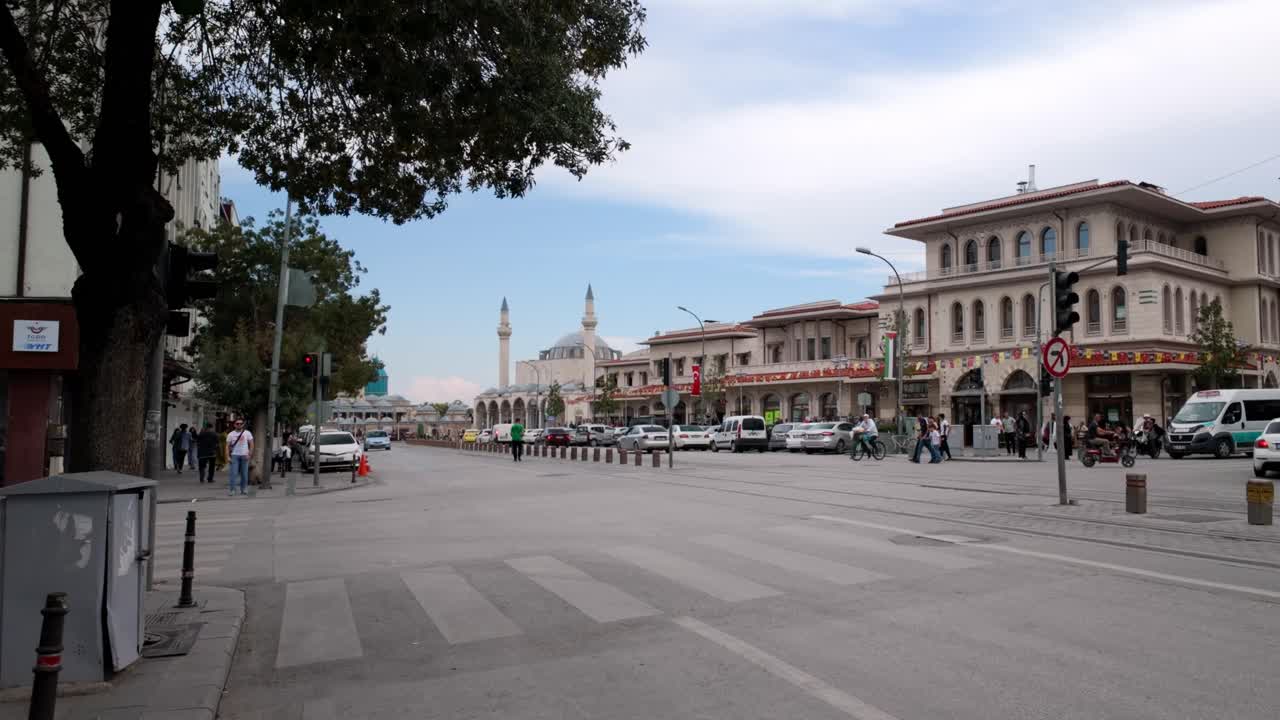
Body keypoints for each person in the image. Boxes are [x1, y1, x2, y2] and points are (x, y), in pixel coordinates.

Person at [226, 419, 254, 496]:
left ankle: (244, 489)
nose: (239, 425)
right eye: (237, 423)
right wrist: (228, 456)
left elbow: (251, 444)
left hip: (244, 455)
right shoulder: (231, 434)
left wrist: (249, 454)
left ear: (243, 425)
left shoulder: (247, 433)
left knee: (244, 474)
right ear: (234, 425)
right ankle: (232, 490)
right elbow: (227, 446)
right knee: (233, 474)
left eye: (241, 423)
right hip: (234, 456)